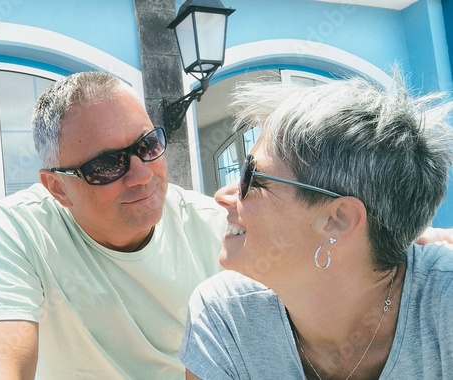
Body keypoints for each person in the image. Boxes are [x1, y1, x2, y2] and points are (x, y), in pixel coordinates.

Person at [179, 73, 453, 379]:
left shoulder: (443, 305)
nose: (223, 196)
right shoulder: (224, 316)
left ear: (338, 220)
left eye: (251, 178)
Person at [0, 71, 227, 379]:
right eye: (107, 164)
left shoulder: (214, 226)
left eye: (147, 145)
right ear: (58, 188)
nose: (143, 176)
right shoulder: (25, 226)